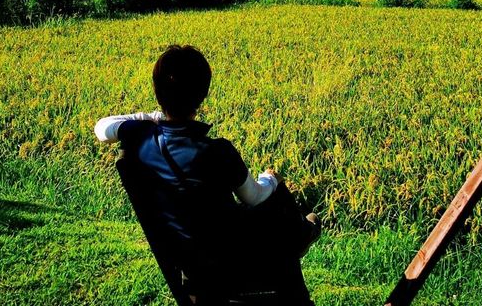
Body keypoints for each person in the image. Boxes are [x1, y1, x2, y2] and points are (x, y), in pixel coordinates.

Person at [95, 44, 320, 304]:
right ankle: (301, 234)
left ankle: (300, 233)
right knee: (275, 198)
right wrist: (271, 178)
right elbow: (254, 197)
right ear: (203, 94)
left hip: (190, 266)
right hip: (234, 260)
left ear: (157, 92)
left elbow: (103, 128)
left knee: (277, 218)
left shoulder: (141, 138)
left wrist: (154, 118)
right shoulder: (217, 151)